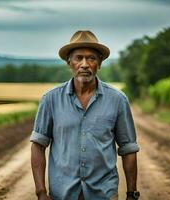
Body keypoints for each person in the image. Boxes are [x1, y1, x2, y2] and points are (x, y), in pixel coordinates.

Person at [30, 30, 140, 200]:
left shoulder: (117, 100)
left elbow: (128, 149)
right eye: (78, 58)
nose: (84, 64)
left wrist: (132, 194)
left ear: (100, 63)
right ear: (69, 63)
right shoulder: (50, 99)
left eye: (91, 58)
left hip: (104, 193)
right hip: (62, 193)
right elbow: (38, 145)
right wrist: (41, 192)